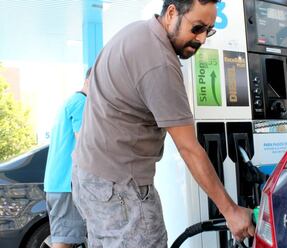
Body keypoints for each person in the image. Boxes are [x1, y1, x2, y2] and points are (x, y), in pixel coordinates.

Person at [71, 0, 255, 247]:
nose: (201, 39)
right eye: (197, 27)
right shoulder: (159, 62)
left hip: (91, 178)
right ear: (171, 13)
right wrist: (231, 211)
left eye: (208, 30)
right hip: (120, 188)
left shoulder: (135, 32)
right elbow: (189, 148)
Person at [43, 68, 91, 248]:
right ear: (92, 80)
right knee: (64, 241)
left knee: (64, 239)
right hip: (67, 185)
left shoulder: (71, 101)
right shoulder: (81, 102)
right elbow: (84, 143)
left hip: (58, 184)